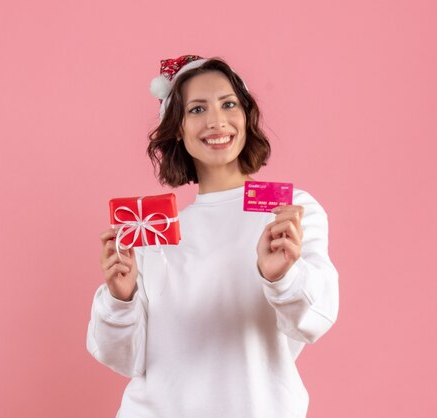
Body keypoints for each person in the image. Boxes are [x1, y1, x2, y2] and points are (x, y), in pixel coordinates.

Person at [86, 55, 339, 418]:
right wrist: (120, 298)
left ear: (246, 116)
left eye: (229, 104)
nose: (217, 121)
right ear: (177, 127)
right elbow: (123, 358)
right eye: (197, 109)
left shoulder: (288, 211)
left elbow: (315, 317)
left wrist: (281, 276)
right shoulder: (154, 231)